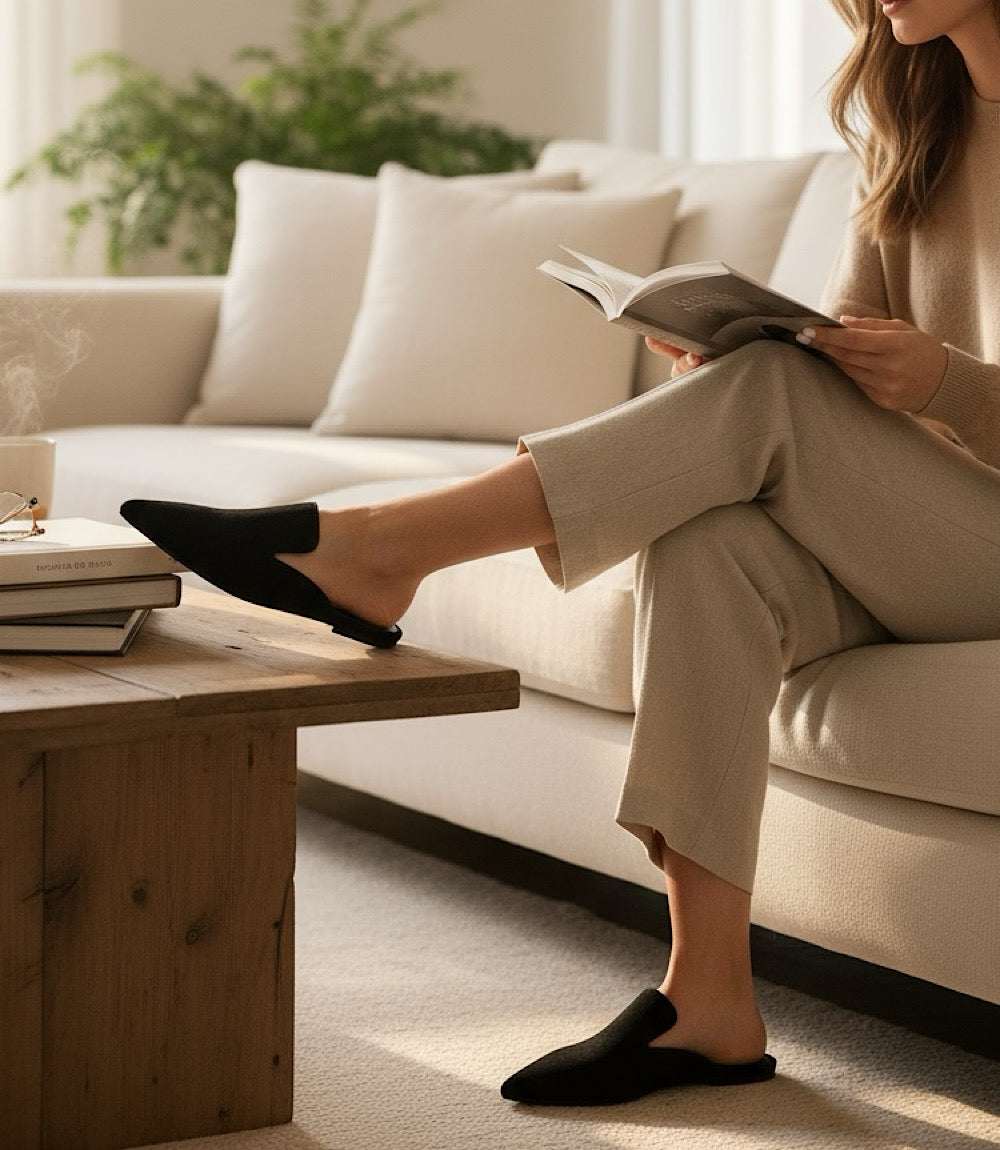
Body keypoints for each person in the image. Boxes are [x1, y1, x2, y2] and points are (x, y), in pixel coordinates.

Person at [120, 0, 1000, 1107]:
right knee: (711, 540)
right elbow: (842, 347)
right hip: (916, 534)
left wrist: (947, 384)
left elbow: (922, 388)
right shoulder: (908, 123)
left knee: (768, 401)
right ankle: (708, 998)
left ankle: (380, 550)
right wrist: (747, 359)